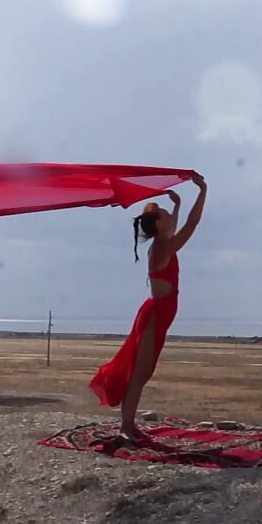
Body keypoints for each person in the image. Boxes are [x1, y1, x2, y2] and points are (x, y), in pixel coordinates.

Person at [89, 172, 207, 443]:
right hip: (154, 316)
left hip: (160, 314)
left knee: (142, 372)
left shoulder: (164, 242)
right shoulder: (164, 247)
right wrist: (202, 192)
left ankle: (128, 425)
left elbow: (180, 221)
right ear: (160, 225)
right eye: (167, 214)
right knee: (140, 373)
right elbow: (192, 223)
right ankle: (126, 427)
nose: (171, 216)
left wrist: (176, 204)